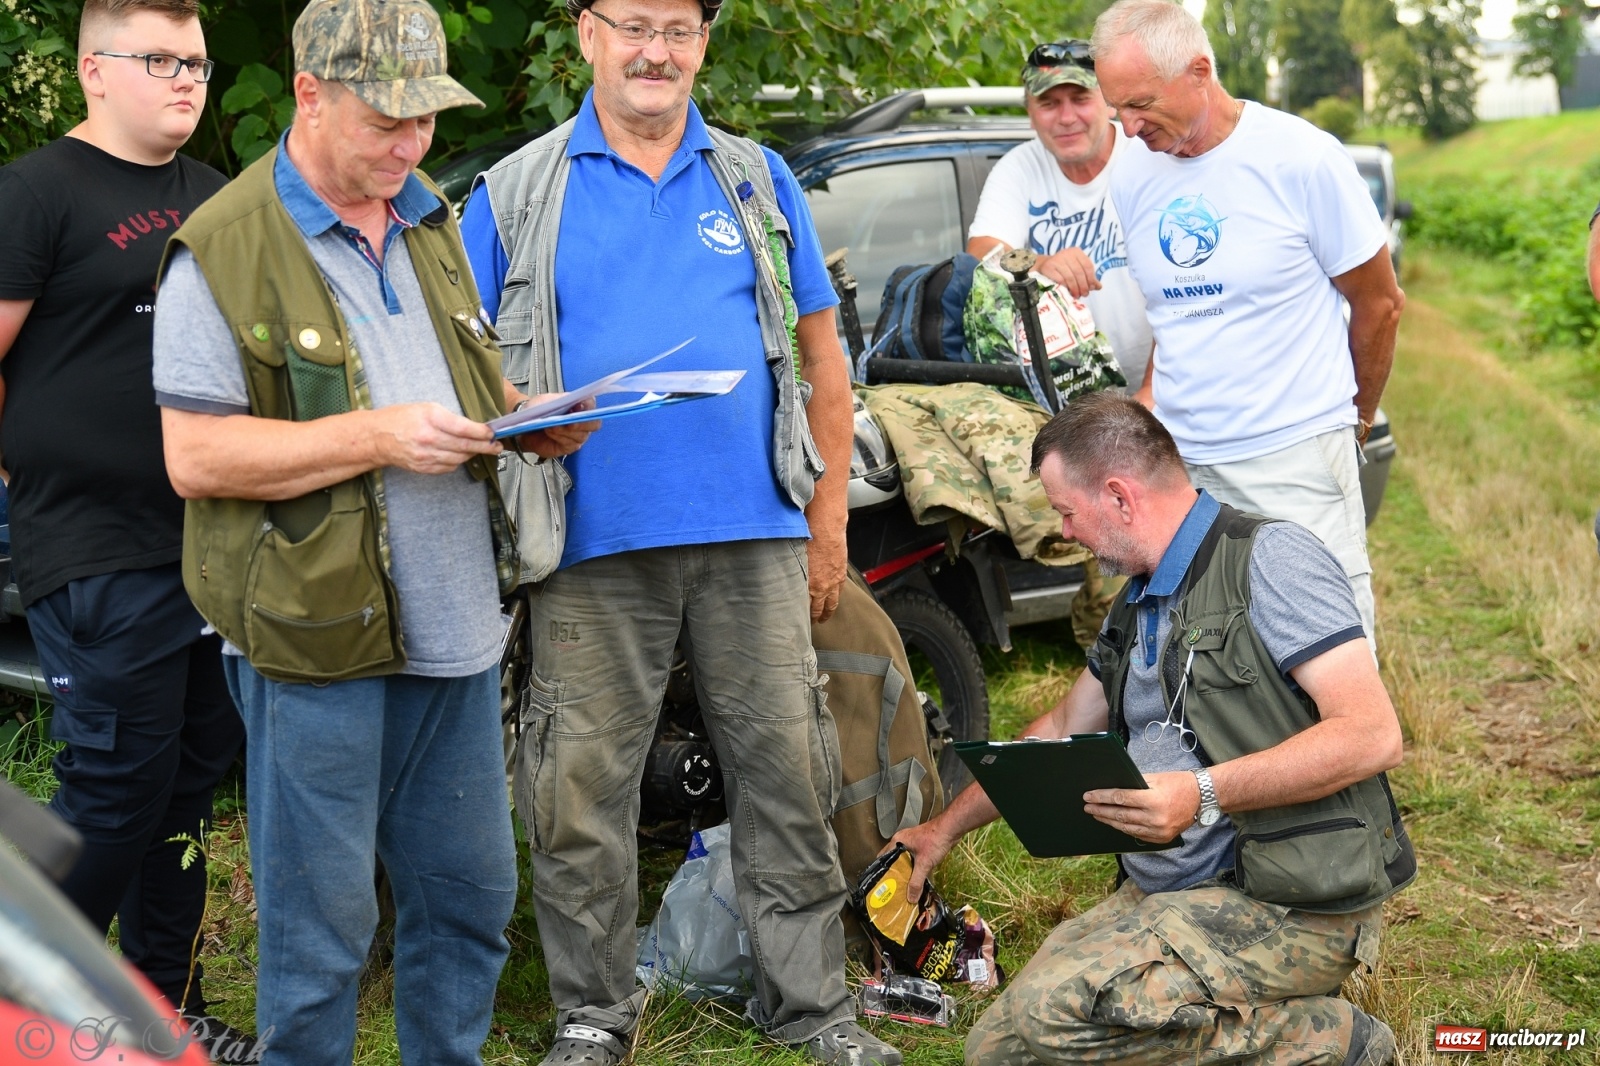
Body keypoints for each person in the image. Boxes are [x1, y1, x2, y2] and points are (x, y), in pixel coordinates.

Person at [457, 2, 898, 1064]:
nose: (655, 51)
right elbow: (457, 358)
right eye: (633, 25)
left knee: (787, 771)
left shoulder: (753, 178)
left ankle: (813, 1013)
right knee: (577, 784)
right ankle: (593, 1015)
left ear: (702, 42)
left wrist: (828, 515)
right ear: (585, 36)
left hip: (755, 535)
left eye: (679, 29)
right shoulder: (516, 191)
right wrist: (518, 414)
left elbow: (822, 355)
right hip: (587, 541)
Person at [152, 1, 593, 1061]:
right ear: (307, 94)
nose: (407, 144)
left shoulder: (428, 213)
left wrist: (526, 421)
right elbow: (196, 459)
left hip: (456, 630)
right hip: (316, 641)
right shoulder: (220, 246)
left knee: (469, 907)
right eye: (383, 120)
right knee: (321, 938)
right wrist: (377, 437)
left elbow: (445, 386)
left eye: (424, 120)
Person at [891, 393, 1416, 1066]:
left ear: (1118, 496)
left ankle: (1334, 1042)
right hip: (1170, 895)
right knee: (996, 1050)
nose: (1067, 532)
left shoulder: (1269, 558)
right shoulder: (1137, 601)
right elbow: (1058, 727)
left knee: (1048, 1012)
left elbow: (1372, 735)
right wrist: (941, 832)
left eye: (1066, 512)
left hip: (1288, 904)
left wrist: (1198, 794)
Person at [0, 0, 248, 1046]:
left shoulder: (217, 198)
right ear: (95, 71)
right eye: (159, 59)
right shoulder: (36, 191)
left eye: (195, 61)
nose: (186, 79)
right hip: (91, 545)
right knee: (115, 784)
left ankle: (165, 1016)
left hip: (207, 543)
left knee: (189, 783)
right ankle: (31, 1012)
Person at [1090, 0, 1405, 643]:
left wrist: (1354, 421)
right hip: (1184, 471)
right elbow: (1171, 312)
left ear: (1200, 70)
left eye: (1141, 104)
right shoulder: (1130, 173)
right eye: (1116, 108)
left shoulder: (1302, 159)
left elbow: (1380, 304)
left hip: (1294, 458)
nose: (1127, 127)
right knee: (1210, 659)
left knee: (1324, 652)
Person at [967, 38, 1154, 649]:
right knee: (1108, 557)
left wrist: (1152, 392)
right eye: (1050, 102)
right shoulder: (1021, 168)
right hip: (1079, 403)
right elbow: (981, 254)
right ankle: (1118, 687)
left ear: (1106, 102)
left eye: (1080, 96)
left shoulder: (1144, 158)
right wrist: (1042, 262)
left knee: (1179, 541)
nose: (1066, 115)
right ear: (1031, 110)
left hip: (1167, 382)